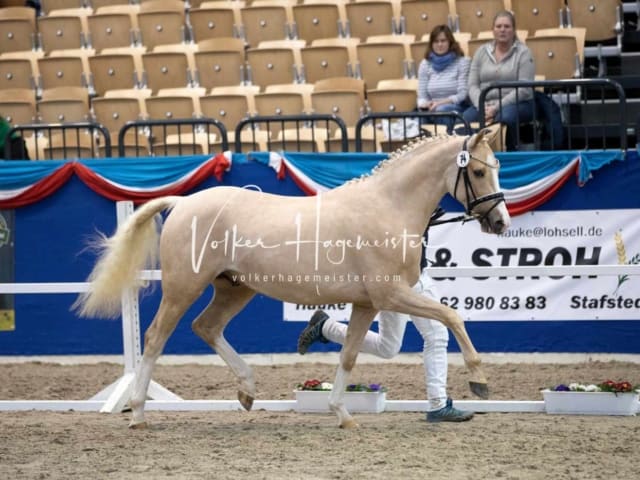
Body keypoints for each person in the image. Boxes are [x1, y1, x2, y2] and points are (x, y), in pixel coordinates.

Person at [297, 209, 474, 423]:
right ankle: (438, 404)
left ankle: (326, 327)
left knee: (388, 347)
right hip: (404, 280)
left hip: (407, 276)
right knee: (436, 336)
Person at [462, 10, 535, 151]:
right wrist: (481, 106)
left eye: (507, 26)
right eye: (499, 26)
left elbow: (524, 89)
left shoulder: (524, 53)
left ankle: (510, 155)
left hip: (517, 103)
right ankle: (472, 158)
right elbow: (472, 85)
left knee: (504, 118)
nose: (502, 30)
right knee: (465, 119)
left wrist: (496, 108)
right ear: (493, 30)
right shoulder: (481, 52)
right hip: (484, 104)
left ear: (513, 30)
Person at [416, 25, 470, 134]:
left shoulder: (462, 62)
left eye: (443, 41)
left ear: (450, 42)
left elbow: (462, 95)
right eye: (436, 41)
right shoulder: (425, 64)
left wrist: (440, 103)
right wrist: (425, 104)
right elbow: (422, 96)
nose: (439, 44)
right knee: (422, 114)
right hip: (432, 107)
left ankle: (448, 145)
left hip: (457, 107)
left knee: (442, 111)